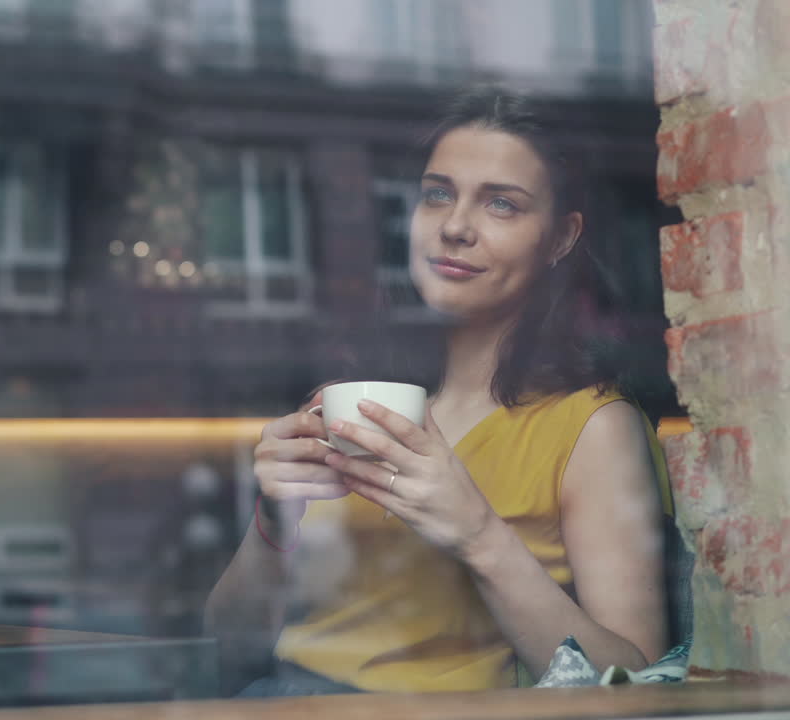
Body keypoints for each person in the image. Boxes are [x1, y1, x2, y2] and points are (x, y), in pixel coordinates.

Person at [203, 86, 673, 695]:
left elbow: (635, 682)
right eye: (437, 195)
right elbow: (229, 647)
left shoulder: (591, 425)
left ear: (560, 238)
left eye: (501, 205)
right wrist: (271, 521)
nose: (454, 226)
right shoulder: (346, 403)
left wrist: (479, 536)